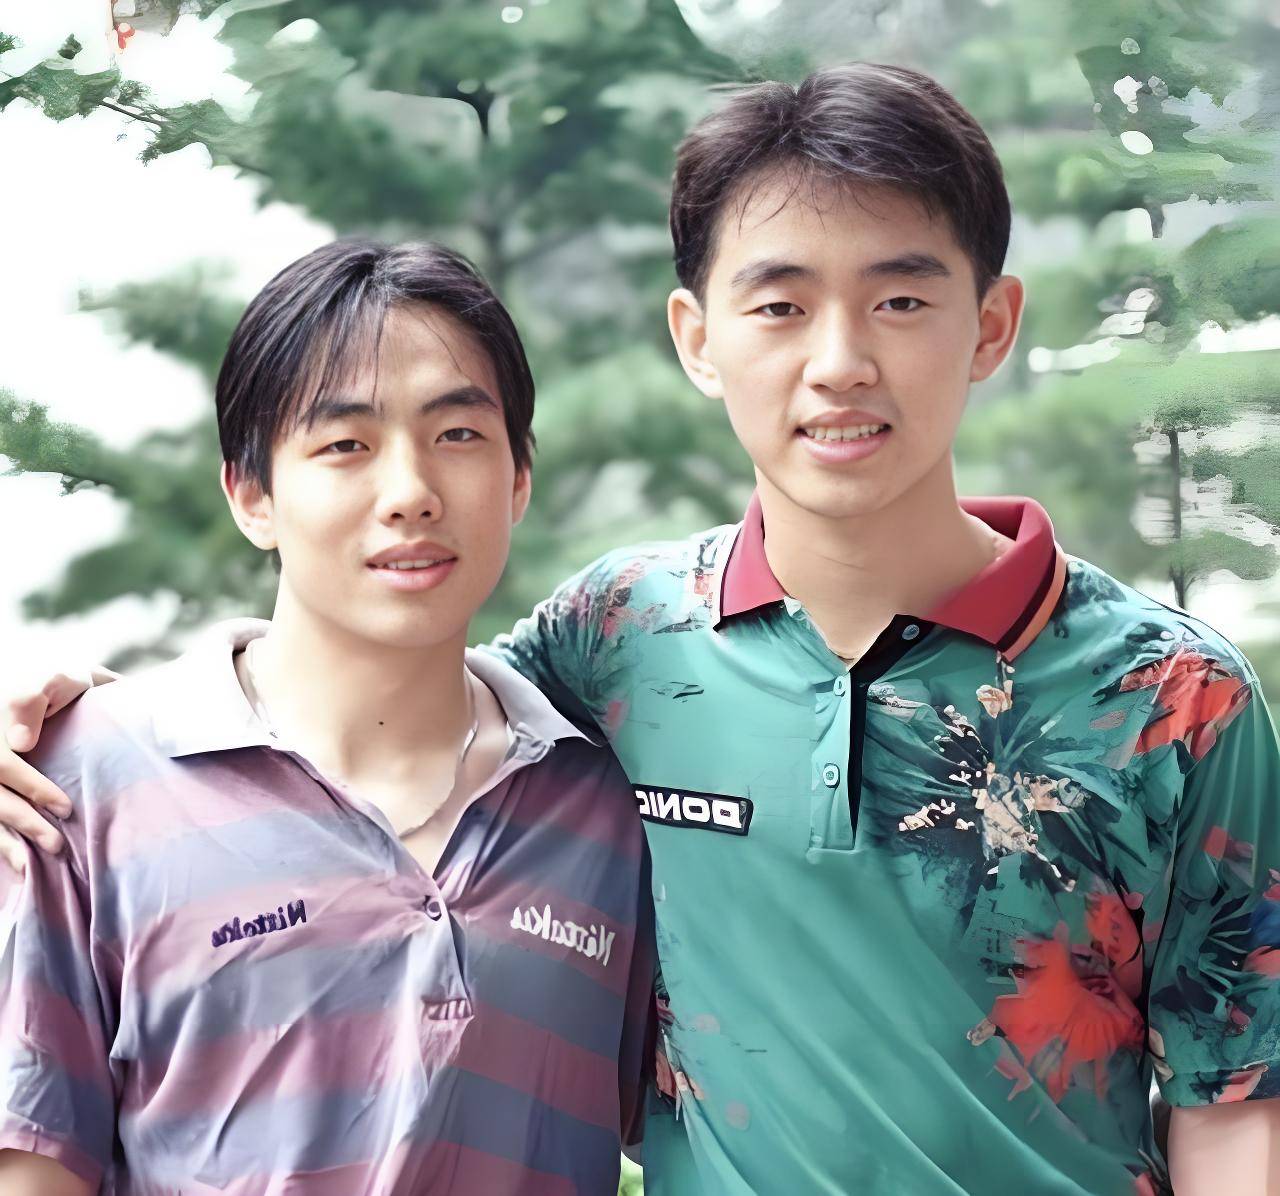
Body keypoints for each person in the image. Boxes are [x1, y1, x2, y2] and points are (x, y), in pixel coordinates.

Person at [4, 63, 1279, 1195]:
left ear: (989, 324)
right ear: (696, 338)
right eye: (778, 306)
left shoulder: (1171, 697)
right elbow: (378, 687)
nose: (838, 361)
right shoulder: (618, 639)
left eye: (899, 300)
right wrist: (68, 715)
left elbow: (1232, 1100)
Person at [0, 239, 653, 1195]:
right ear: (251, 494)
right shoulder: (77, 786)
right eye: (346, 444)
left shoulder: (604, 801)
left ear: (519, 477)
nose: (411, 494)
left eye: (458, 434)